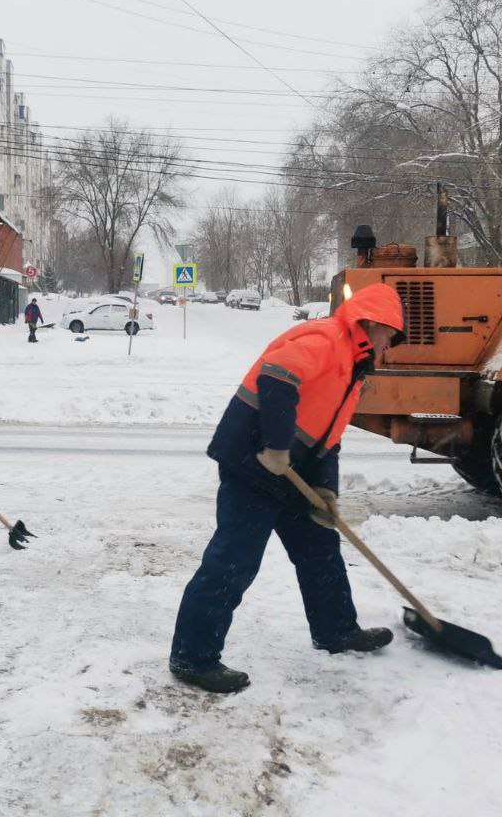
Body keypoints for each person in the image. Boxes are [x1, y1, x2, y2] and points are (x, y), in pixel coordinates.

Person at [169, 283, 406, 693]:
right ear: (373, 323)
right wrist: (277, 446)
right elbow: (277, 378)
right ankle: (193, 657)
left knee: (319, 551)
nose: (389, 345)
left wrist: (326, 490)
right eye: (389, 335)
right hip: (253, 462)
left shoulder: (353, 365)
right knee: (233, 561)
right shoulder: (326, 338)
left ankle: (337, 631)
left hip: (294, 471)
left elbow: (328, 435)